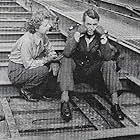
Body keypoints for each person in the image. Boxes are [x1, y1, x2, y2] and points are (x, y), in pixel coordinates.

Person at [58, 8, 124, 122]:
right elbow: (67, 53)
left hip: (92, 72)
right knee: (66, 60)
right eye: (88, 24)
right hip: (77, 71)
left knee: (109, 63)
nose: (91, 27)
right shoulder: (75, 32)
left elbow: (107, 57)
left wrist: (104, 41)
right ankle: (64, 101)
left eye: (94, 24)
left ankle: (115, 104)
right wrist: (77, 35)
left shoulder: (100, 35)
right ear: (83, 23)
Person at [8, 10, 60, 102]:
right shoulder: (27, 41)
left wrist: (54, 60)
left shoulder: (43, 36)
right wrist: (47, 59)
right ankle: (26, 90)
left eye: (48, 24)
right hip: (17, 71)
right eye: (45, 25)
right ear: (36, 28)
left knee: (52, 66)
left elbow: (50, 49)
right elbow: (29, 64)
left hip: (28, 67)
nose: (49, 27)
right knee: (43, 70)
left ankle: (41, 92)